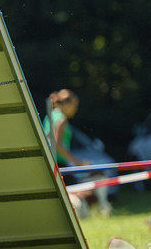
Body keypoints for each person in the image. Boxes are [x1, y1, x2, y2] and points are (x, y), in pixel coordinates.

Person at [43, 88, 111, 216]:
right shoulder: (61, 119)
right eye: (74, 106)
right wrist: (78, 162)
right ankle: (100, 207)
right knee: (94, 179)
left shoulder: (50, 115)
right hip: (60, 164)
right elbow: (57, 145)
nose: (75, 109)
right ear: (67, 104)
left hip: (51, 163)